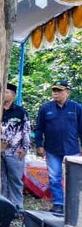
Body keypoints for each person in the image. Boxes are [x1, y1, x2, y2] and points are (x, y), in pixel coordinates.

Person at [34, 80, 82, 216]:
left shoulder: (76, 108)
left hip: (72, 149)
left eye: (59, 91)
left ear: (67, 92)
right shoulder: (45, 108)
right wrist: (39, 145)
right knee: (55, 177)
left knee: (73, 178)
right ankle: (58, 204)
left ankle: (74, 204)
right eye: (54, 90)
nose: (55, 93)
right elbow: (39, 128)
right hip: (52, 149)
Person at [0, 83, 30, 210]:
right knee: (1, 179)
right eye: (3, 92)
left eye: (6, 92)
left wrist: (25, 147)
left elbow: (26, 130)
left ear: (13, 95)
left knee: (15, 179)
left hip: (14, 151)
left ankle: (17, 206)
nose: (4, 94)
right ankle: (3, 204)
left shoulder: (20, 112)